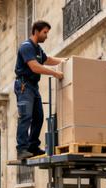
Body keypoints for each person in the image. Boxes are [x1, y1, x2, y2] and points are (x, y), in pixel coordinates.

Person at [14, 21, 66, 159]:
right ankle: (22, 149)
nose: (46, 36)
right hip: (24, 85)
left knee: (39, 117)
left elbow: (47, 59)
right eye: (45, 32)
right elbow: (35, 67)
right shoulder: (26, 47)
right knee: (25, 116)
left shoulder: (37, 49)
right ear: (36, 31)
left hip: (33, 86)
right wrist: (54, 73)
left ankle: (32, 146)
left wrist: (64, 60)